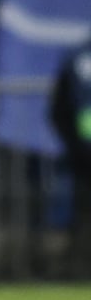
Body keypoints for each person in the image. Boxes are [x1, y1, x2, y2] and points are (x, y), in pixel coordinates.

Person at [50, 37, 91, 279]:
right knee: (81, 219)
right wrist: (77, 150)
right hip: (84, 160)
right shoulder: (77, 57)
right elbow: (58, 111)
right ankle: (79, 273)